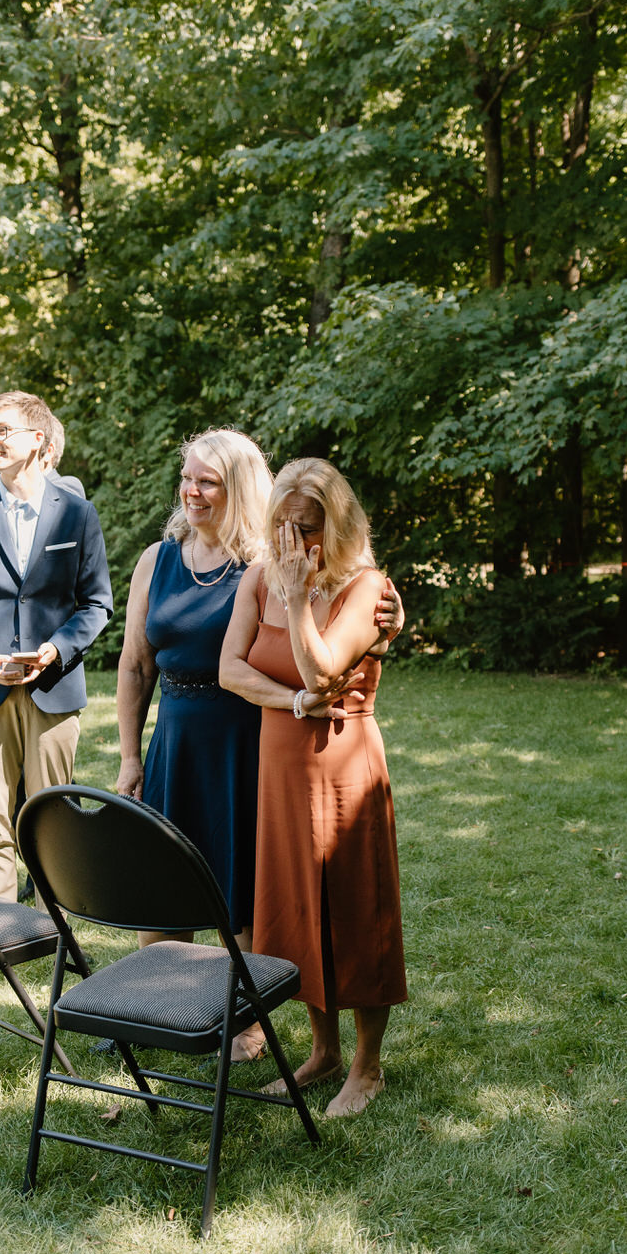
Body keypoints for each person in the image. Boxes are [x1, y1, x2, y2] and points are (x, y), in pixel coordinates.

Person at [115, 430, 402, 1062]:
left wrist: (380, 628)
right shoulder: (162, 561)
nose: (191, 490)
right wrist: (130, 755)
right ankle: (162, 1006)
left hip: (248, 743)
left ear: (240, 488)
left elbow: (325, 642)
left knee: (248, 889)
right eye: (186, 476)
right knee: (165, 880)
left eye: (208, 480)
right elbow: (143, 664)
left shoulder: (267, 564)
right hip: (182, 736)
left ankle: (245, 1020)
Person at [220, 458, 406, 1117]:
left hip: (343, 762)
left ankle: (367, 1065)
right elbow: (230, 671)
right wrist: (293, 703)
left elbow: (323, 672)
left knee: (353, 906)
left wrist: (298, 601)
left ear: (338, 525)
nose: (290, 542)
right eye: (281, 525)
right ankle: (321, 1051)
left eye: (305, 527)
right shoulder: (255, 578)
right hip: (281, 764)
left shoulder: (368, 588)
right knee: (294, 907)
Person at [0, 391, 112, 901]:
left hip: (52, 687)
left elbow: (96, 605)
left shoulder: (77, 514)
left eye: (3, 430)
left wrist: (55, 650)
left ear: (39, 439)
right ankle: (0, 931)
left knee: (54, 818)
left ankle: (54, 933)